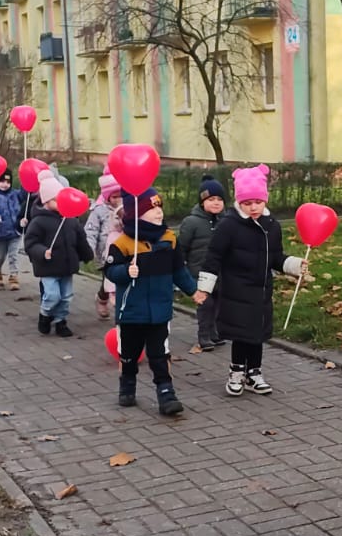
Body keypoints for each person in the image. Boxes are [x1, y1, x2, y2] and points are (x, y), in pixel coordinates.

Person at [194, 165, 306, 395]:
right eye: (247, 203)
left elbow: (276, 257)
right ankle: (236, 371)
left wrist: (293, 265)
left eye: (258, 202)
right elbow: (214, 257)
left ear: (265, 200)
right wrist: (204, 288)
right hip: (236, 291)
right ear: (239, 202)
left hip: (261, 291)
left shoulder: (271, 226)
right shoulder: (228, 226)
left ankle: (254, 372)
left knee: (257, 334)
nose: (253, 207)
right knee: (241, 334)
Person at [104, 188, 198, 416]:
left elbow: (179, 270)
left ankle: (166, 392)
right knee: (129, 354)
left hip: (159, 310)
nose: (159, 212)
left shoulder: (168, 239)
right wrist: (126, 271)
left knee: (159, 354)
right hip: (131, 312)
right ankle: (127, 384)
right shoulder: (123, 243)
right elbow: (110, 271)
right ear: (137, 213)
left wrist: (193, 291)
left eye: (160, 207)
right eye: (152, 208)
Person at [24, 170, 93, 338]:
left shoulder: (70, 219)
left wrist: (87, 254)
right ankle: (45, 314)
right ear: (46, 201)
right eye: (56, 200)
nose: (60, 203)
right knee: (52, 295)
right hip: (48, 266)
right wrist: (42, 252)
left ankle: (61, 321)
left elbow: (80, 238)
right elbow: (30, 243)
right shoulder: (38, 221)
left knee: (66, 296)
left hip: (67, 266)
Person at [179, 176, 229, 351]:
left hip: (221, 272)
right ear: (202, 202)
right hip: (199, 272)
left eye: (219, 199)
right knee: (205, 304)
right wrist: (182, 268)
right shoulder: (191, 222)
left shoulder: (227, 221)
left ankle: (214, 332)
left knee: (218, 304)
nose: (216, 203)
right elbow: (182, 247)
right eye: (211, 199)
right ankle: (204, 335)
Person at [84, 168, 123, 319]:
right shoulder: (99, 211)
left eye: (120, 195)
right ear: (107, 197)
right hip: (105, 253)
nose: (118, 199)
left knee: (119, 278)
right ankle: (102, 299)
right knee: (107, 280)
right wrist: (89, 247)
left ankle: (121, 305)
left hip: (123, 250)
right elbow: (91, 230)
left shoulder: (127, 209)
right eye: (114, 196)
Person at [0, 170, 26, 290]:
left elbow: (24, 194)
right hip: (0, 233)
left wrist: (25, 181)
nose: (5, 184)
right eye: (2, 182)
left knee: (13, 255)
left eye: (8, 182)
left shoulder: (15, 194)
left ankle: (13, 276)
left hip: (15, 231)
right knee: (0, 257)